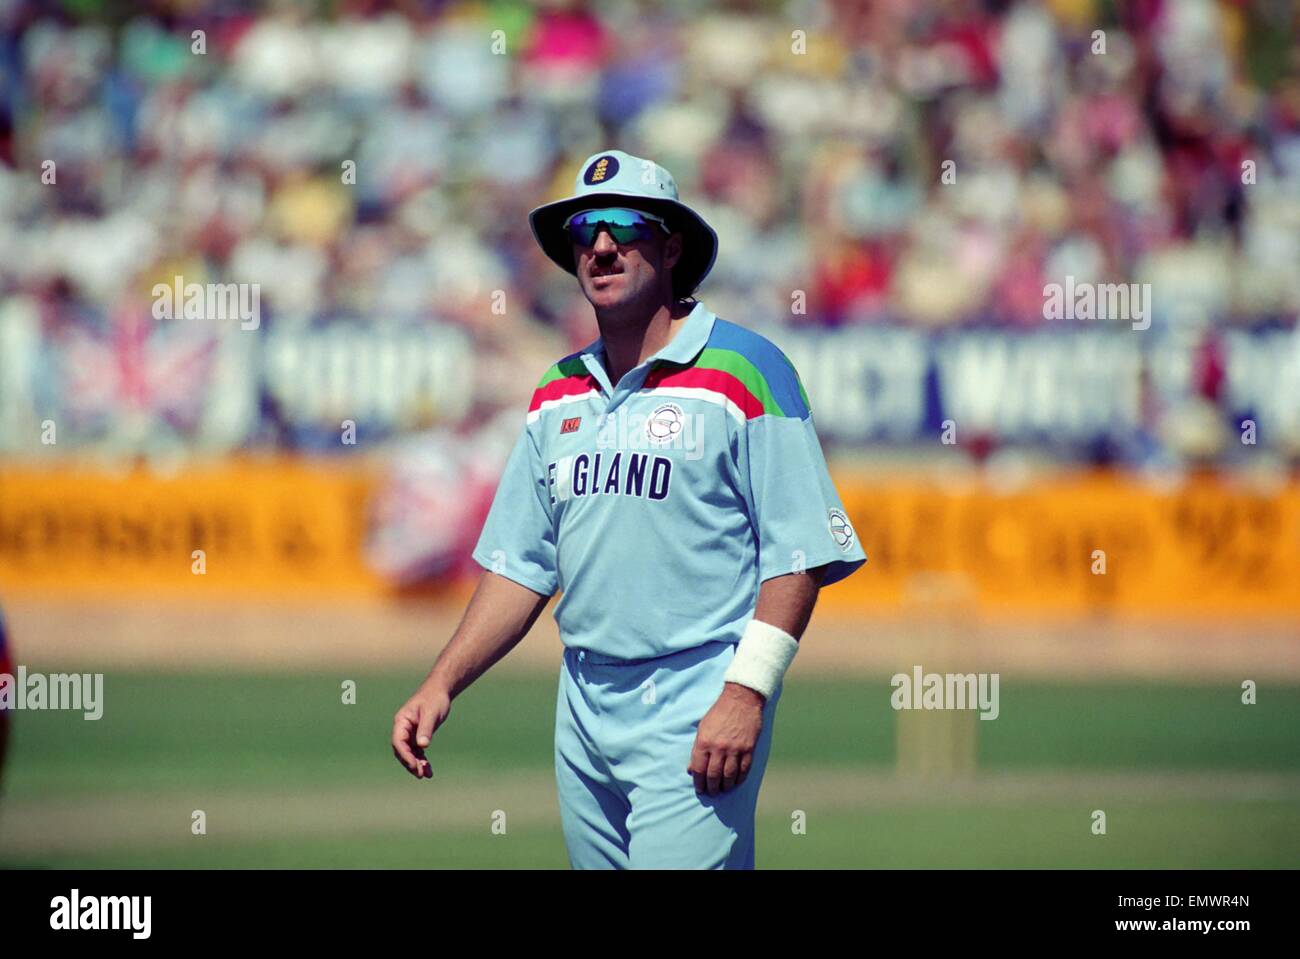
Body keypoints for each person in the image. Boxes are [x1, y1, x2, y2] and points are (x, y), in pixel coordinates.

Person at [392, 150, 866, 868]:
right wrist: (441, 680)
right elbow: (521, 566)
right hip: (581, 701)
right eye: (585, 230)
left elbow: (799, 552)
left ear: (672, 246)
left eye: (623, 225)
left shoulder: (746, 371)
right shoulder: (558, 391)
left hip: (698, 693)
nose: (601, 246)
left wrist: (747, 692)